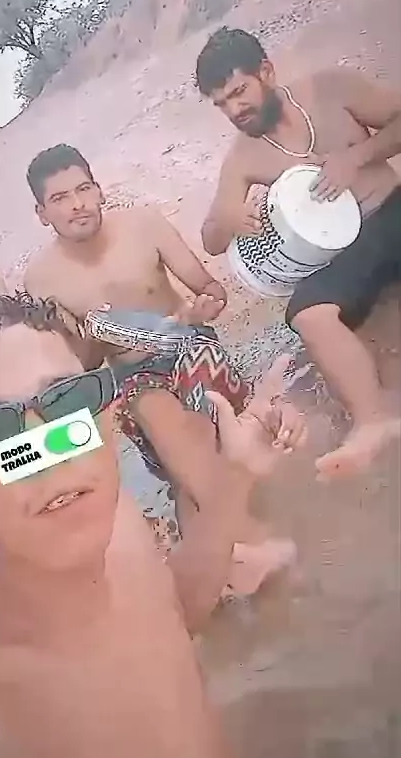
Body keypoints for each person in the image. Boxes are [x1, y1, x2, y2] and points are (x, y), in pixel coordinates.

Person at [0, 292, 303, 756]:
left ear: (107, 412)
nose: (49, 456)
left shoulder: (118, 517)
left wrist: (234, 480)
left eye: (68, 399)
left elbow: (170, 615)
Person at [23, 144, 301, 594]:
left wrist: (200, 308)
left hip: (189, 345)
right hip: (133, 377)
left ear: (99, 190)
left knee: (188, 468)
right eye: (60, 198)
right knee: (153, 409)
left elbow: (211, 290)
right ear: (42, 213)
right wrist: (97, 335)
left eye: (83, 189)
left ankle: (232, 561)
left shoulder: (144, 225)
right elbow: (82, 366)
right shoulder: (41, 280)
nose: (77, 204)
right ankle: (248, 547)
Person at [196, 27, 401, 479]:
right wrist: (228, 220)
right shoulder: (244, 157)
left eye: (239, 92)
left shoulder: (331, 88)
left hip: (392, 208)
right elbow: (211, 237)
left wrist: (358, 156)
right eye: (222, 104)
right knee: (308, 312)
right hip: (346, 254)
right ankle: (374, 422)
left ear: (266, 72)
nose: (234, 110)